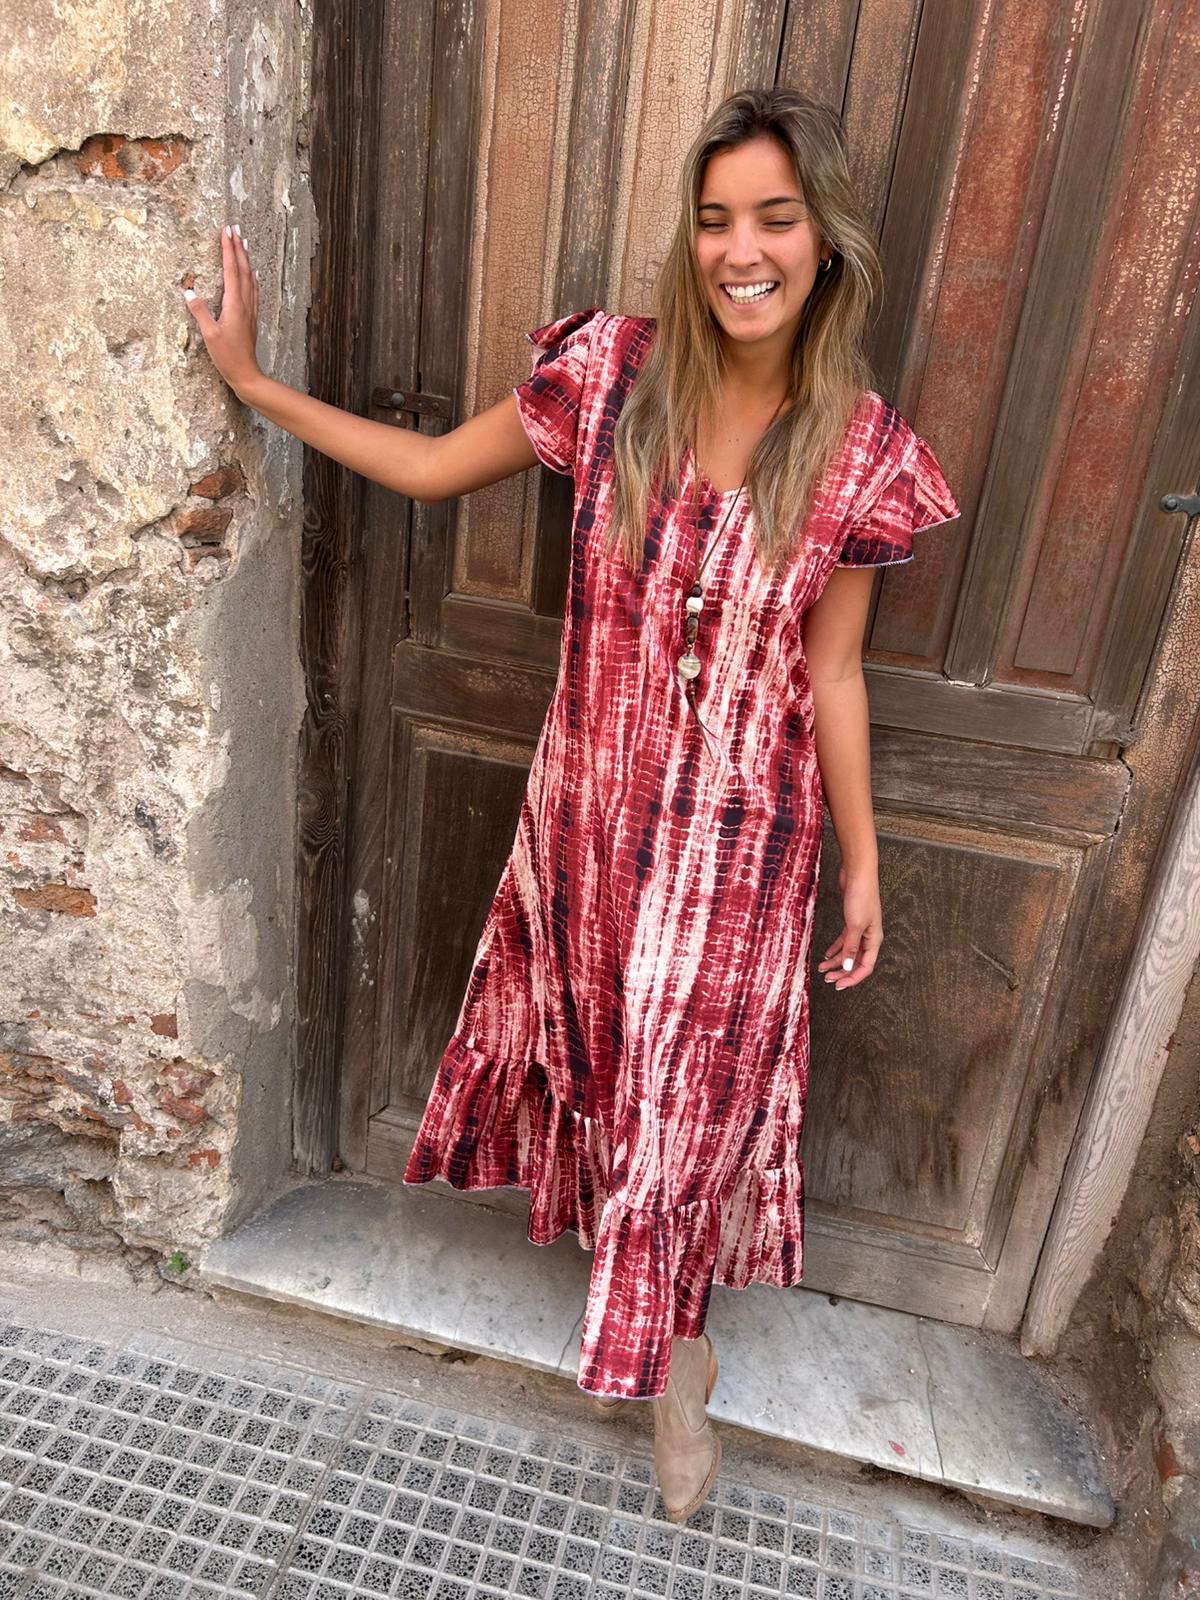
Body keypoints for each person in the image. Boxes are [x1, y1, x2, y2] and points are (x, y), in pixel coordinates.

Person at [183, 84, 960, 1525]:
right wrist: (258, 384)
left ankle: (676, 1366)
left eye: (775, 219)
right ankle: (655, 1321)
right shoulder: (613, 378)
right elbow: (431, 470)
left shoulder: (860, 454)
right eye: (716, 219)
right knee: (609, 1065)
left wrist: (862, 866)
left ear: (826, 242)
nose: (742, 251)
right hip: (594, 818)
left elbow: (835, 674)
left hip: (743, 847)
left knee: (682, 1103)